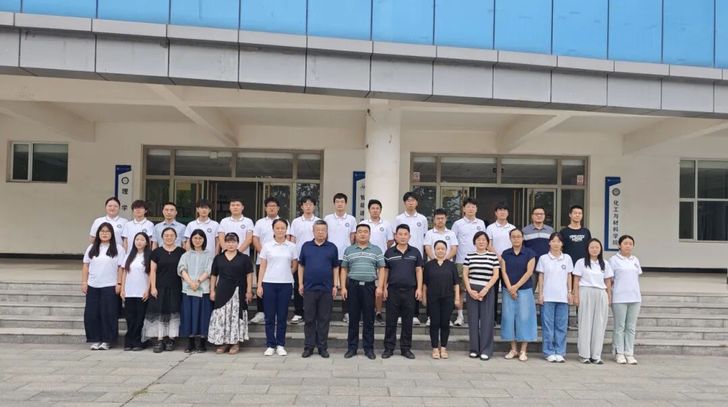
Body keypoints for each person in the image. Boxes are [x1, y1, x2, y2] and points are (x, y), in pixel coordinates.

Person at [341, 223, 384, 360]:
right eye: (360, 231)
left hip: (369, 287)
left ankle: (368, 349)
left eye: (366, 231)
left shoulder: (376, 250)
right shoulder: (349, 250)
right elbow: (344, 269)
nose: (363, 234)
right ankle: (352, 348)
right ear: (356, 234)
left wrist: (380, 286)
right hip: (353, 287)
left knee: (369, 319)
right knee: (353, 319)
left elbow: (381, 269)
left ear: (370, 234)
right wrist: (343, 287)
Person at [298, 220, 340, 358]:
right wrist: (300, 284)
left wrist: (335, 285)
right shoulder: (306, 246)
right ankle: (308, 347)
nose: (320, 232)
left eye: (323, 230)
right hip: (309, 288)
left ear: (327, 232)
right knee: (309, 319)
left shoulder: (332, 247)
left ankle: (322, 347)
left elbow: (335, 267)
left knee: (324, 319)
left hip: (326, 289)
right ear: (313, 231)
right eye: (318, 230)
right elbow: (301, 266)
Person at [380, 224, 423, 359]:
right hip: (393, 291)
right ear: (395, 236)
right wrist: (384, 287)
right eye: (400, 234)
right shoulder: (389, 252)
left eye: (405, 234)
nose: (403, 237)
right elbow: (385, 271)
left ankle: (406, 349)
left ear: (409, 236)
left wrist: (419, 288)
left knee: (407, 322)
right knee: (390, 321)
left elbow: (419, 270)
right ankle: (389, 348)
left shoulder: (415, 252)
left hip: (410, 291)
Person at [257, 219, 298, 356]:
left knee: (282, 316)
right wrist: (259, 285)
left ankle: (280, 344)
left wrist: (286, 272)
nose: (280, 230)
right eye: (277, 228)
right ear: (273, 229)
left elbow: (295, 265)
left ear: (286, 230)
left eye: (282, 228)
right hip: (269, 283)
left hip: (285, 284)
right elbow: (262, 266)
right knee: (269, 316)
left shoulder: (292, 246)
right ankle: (270, 344)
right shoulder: (267, 246)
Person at [208, 233, 254, 354]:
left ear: (237, 243)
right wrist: (212, 290)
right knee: (222, 315)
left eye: (233, 242)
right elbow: (213, 275)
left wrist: (249, 290)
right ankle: (223, 342)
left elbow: (249, 275)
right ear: (224, 243)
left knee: (235, 316)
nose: (231, 244)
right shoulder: (218, 258)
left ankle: (235, 343)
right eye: (228, 242)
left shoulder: (244, 258)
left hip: (238, 290)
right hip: (222, 290)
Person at [82, 222, 125, 350]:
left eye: (107, 231)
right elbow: (86, 265)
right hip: (93, 285)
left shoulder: (118, 248)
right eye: (102, 231)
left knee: (109, 314)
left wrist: (119, 283)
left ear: (112, 234)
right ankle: (95, 339)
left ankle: (107, 340)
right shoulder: (91, 248)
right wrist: (84, 282)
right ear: (98, 234)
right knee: (92, 313)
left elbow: (121, 267)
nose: (104, 234)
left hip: (110, 285)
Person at [144, 227, 185, 353]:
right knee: (159, 312)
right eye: (166, 235)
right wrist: (153, 287)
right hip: (159, 287)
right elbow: (152, 271)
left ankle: (171, 339)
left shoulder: (181, 252)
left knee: (173, 312)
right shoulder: (156, 252)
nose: (169, 237)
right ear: (162, 237)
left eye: (171, 235)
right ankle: (159, 339)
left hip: (176, 287)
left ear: (176, 237)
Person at [573, 238, 613, 364]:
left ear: (600, 249)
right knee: (585, 323)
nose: (594, 249)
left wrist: (609, 296)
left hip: (601, 293)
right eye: (592, 247)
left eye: (597, 247)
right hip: (585, 292)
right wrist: (576, 295)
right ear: (587, 249)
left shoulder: (605, 263)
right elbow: (576, 280)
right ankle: (584, 355)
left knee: (599, 324)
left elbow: (608, 281)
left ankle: (596, 355)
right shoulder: (581, 262)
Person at [499, 228, 537, 362]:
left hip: (525, 290)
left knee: (524, 318)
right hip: (508, 290)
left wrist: (515, 287)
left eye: (518, 236)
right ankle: (513, 349)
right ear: (510, 238)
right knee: (509, 318)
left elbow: (529, 272)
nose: (516, 239)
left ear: (522, 238)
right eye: (513, 237)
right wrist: (510, 288)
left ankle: (523, 350)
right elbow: (503, 272)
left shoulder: (530, 253)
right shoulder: (505, 253)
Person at [536, 233, 574, 363]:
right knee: (548, 326)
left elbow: (569, 276)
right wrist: (540, 294)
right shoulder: (543, 258)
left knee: (561, 326)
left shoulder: (567, 258)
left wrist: (570, 292)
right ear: (549, 243)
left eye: (558, 241)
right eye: (553, 241)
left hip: (562, 297)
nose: (556, 244)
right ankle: (549, 351)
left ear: (562, 243)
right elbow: (541, 276)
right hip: (548, 296)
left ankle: (560, 351)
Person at [463, 232, 500, 361]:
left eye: (484, 240)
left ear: (487, 242)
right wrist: (469, 290)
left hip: (487, 290)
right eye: (478, 239)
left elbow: (496, 275)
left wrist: (486, 289)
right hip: (472, 290)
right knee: (473, 320)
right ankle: (474, 349)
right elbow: (465, 274)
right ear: (474, 242)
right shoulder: (469, 256)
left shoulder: (492, 256)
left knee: (487, 320)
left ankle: (486, 349)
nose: (481, 242)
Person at [422, 240, 460, 360]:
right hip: (433, 298)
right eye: (438, 248)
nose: (440, 251)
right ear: (434, 250)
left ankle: (443, 348)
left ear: (446, 250)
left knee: (445, 323)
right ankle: (434, 348)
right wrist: (424, 297)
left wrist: (457, 298)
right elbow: (424, 284)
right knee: (434, 323)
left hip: (447, 298)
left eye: (442, 248)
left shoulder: (451, 265)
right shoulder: (428, 265)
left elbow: (456, 284)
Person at [177, 229, 213, 353]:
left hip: (203, 289)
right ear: (191, 240)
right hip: (188, 289)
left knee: (203, 316)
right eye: (195, 238)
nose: (197, 240)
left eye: (200, 238)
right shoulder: (185, 255)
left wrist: (198, 281)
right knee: (188, 315)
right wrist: (190, 282)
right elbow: (182, 269)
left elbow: (209, 270)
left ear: (204, 240)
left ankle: (202, 342)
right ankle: (190, 342)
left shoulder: (209, 255)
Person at [451, 197, 486, 326]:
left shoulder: (481, 223)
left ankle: (477, 317)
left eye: (473, 206)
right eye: (468, 206)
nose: (471, 209)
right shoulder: (458, 224)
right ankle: (460, 316)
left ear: (476, 209)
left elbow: (484, 241)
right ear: (464, 209)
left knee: (477, 288)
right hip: (461, 261)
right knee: (460, 290)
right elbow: (453, 243)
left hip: (478, 261)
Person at [251, 197, 286, 324]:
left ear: (278, 208)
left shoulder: (283, 222)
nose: (271, 208)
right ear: (265, 208)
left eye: (274, 206)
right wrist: (265, 254)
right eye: (269, 206)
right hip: (263, 260)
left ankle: (275, 313)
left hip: (280, 262)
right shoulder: (260, 222)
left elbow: (287, 239)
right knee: (262, 285)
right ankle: (261, 312)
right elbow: (255, 239)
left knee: (277, 287)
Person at [395, 192, 428, 326]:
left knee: (415, 285)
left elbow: (425, 238)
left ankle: (415, 314)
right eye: (408, 200)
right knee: (400, 285)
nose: (410, 203)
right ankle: (399, 314)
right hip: (401, 255)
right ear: (404, 203)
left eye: (413, 200)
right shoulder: (399, 218)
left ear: (417, 203)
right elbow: (396, 236)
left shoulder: (422, 219)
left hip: (416, 256)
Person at [608, 235, 642, 365]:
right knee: (620, 326)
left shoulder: (635, 260)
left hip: (635, 297)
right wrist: (609, 295)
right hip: (619, 297)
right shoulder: (613, 260)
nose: (628, 246)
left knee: (631, 327)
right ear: (619, 245)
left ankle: (629, 353)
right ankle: (619, 352)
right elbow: (610, 280)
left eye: (630, 244)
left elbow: (636, 278)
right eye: (625, 243)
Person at [323, 193, 356, 323]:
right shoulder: (328, 218)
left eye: (342, 202)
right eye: (337, 202)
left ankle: (346, 312)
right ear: (334, 203)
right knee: (330, 285)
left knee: (346, 285)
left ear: (346, 203)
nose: (340, 204)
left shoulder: (351, 219)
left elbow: (352, 237)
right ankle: (327, 313)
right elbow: (325, 235)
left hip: (346, 256)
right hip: (330, 256)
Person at [360, 199, 394, 324]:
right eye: (373, 208)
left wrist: (381, 250)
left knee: (379, 288)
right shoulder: (363, 223)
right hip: (366, 259)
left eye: (377, 208)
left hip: (381, 261)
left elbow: (390, 241)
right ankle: (365, 313)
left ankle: (378, 312)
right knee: (366, 288)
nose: (375, 210)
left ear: (380, 210)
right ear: (369, 210)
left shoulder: (386, 224)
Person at [423, 208, 458, 327]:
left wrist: (444, 260)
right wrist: (436, 260)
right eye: (438, 218)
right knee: (432, 291)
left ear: (446, 219)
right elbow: (427, 248)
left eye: (442, 218)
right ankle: (430, 317)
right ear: (434, 219)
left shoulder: (451, 233)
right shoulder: (429, 233)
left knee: (447, 291)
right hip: (432, 267)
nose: (440, 220)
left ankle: (447, 317)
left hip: (447, 267)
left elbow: (454, 249)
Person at [289, 196, 320, 324]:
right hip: (299, 258)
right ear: (301, 206)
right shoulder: (296, 222)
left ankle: (313, 312)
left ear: (314, 206)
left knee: (314, 285)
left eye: (310, 204)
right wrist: (292, 257)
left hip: (315, 258)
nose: (308, 206)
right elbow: (292, 240)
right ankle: (298, 312)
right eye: (305, 204)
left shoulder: (319, 221)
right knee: (298, 285)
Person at [120, 231, 151, 351]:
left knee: (139, 319)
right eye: (137, 239)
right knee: (130, 318)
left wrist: (148, 290)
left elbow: (151, 274)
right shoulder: (129, 255)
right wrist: (122, 289)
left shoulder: (149, 256)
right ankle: (129, 342)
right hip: (129, 292)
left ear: (146, 242)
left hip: (142, 292)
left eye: (142, 240)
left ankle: (137, 342)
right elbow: (124, 273)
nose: (139, 242)